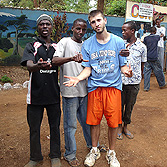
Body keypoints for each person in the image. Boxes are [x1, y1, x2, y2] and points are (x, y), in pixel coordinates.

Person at [63, 10, 132, 167]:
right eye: (93, 22)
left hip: (113, 89)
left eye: (99, 20)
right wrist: (78, 78)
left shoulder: (118, 42)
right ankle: (94, 150)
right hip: (95, 89)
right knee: (94, 122)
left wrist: (128, 71)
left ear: (105, 20)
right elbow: (88, 69)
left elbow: (123, 66)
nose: (96, 24)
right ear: (91, 24)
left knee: (114, 123)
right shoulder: (87, 44)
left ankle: (111, 152)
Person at [21, 14, 61, 167]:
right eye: (41, 24)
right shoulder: (31, 46)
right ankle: (35, 157)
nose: (45, 26)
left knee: (55, 127)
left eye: (48, 24)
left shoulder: (58, 47)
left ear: (52, 27)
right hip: (35, 96)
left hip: (53, 95)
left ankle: (55, 156)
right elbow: (29, 65)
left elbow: (63, 63)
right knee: (34, 129)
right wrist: (39, 66)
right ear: (38, 27)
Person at [52, 18, 92, 167]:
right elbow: (54, 60)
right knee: (71, 126)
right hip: (69, 92)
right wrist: (71, 58)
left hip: (84, 91)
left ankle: (92, 146)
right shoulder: (65, 42)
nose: (80, 32)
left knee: (87, 122)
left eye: (83, 29)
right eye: (78, 29)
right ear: (72, 28)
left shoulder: (87, 45)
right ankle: (70, 154)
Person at [117, 21, 147, 140]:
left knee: (129, 106)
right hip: (120, 81)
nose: (123, 32)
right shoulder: (120, 44)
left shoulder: (142, 47)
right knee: (119, 106)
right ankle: (119, 127)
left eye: (125, 30)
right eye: (122, 30)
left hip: (133, 83)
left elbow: (142, 65)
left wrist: (138, 77)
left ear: (133, 31)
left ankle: (125, 127)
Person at [143, 27, 166, 91]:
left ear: (150, 31)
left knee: (147, 73)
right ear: (155, 31)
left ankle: (146, 87)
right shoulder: (156, 37)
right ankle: (162, 84)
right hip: (154, 57)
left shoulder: (146, 38)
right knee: (159, 71)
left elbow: (144, 44)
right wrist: (162, 33)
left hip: (147, 57)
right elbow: (161, 36)